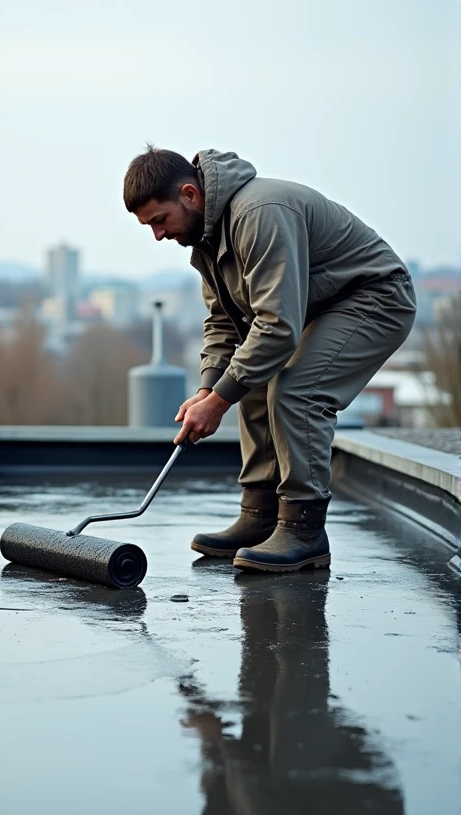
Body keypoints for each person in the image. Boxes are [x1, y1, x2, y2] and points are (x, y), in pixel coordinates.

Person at [123, 148, 417, 572]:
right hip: (319, 306)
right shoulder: (207, 237)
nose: (157, 235)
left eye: (158, 221)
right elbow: (225, 321)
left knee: (298, 390)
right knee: (253, 380)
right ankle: (259, 518)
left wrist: (219, 402)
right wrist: (208, 387)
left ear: (189, 193)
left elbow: (278, 328)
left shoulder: (259, 213)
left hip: (375, 297)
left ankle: (304, 530)